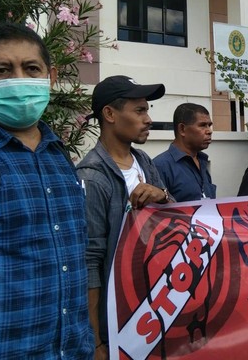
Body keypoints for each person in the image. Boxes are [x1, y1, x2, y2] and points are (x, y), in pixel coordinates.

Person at [0, 23, 93, 358]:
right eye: (2, 70)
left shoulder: (60, 157)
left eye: (31, 69)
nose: (20, 79)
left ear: (50, 76)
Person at [77, 75, 172, 358]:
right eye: (139, 110)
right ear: (109, 114)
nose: (148, 119)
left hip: (158, 306)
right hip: (118, 322)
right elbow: (90, 262)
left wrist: (163, 195)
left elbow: (177, 220)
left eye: (147, 110)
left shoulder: (143, 161)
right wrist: (96, 342)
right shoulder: (92, 177)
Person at [154, 103, 216, 202]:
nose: (209, 131)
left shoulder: (202, 161)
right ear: (182, 129)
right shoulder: (161, 166)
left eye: (209, 125)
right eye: (203, 125)